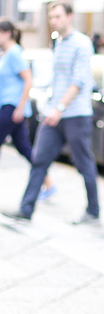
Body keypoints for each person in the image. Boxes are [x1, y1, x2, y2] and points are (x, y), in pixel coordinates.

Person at [3, 2, 99, 225]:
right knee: (39, 160)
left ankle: (93, 210)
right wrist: (51, 107)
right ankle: (26, 209)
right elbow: (58, 80)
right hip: (53, 114)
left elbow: (78, 81)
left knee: (84, 162)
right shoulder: (58, 43)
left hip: (75, 114)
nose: (53, 21)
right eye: (51, 17)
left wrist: (60, 108)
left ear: (69, 17)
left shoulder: (82, 43)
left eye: (57, 16)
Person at [0, 19, 56, 199]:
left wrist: (20, 107)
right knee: (24, 147)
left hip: (12, 108)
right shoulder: (7, 53)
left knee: (23, 147)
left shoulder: (14, 52)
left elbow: (28, 79)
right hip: (9, 107)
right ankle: (48, 183)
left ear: (7, 33)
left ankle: (47, 183)